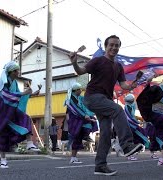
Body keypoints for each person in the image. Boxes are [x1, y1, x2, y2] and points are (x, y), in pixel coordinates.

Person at [69, 35, 143, 176]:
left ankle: (100, 166)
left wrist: (132, 85)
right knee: (118, 109)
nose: (114, 48)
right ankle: (127, 145)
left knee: (106, 133)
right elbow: (80, 71)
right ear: (106, 46)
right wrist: (74, 62)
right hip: (93, 97)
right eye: (112, 45)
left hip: (105, 100)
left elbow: (123, 85)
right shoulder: (97, 60)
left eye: (117, 46)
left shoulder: (118, 66)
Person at [0, 61, 35, 168]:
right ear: (10, 72)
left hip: (12, 109)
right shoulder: (3, 82)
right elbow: (5, 95)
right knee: (3, 135)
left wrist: (29, 94)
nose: (18, 72)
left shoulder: (14, 83)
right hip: (3, 111)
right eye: (16, 70)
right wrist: (23, 93)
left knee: (26, 118)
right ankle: (3, 160)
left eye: (18, 70)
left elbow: (19, 96)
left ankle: (29, 143)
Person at [64, 82, 98, 164]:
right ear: (76, 90)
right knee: (77, 138)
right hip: (76, 121)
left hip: (80, 120)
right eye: (80, 89)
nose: (81, 90)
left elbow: (86, 101)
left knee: (78, 138)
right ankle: (73, 157)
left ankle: (74, 157)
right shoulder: (70, 99)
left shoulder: (79, 98)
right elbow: (75, 110)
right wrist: (85, 116)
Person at [123, 94, 150, 161]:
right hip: (130, 126)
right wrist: (138, 122)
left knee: (135, 138)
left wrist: (138, 121)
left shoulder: (130, 106)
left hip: (131, 125)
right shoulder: (128, 107)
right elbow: (129, 117)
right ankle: (131, 154)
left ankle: (135, 151)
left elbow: (132, 116)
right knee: (139, 135)